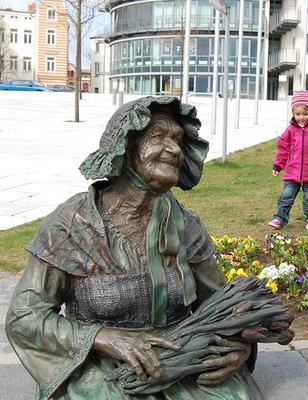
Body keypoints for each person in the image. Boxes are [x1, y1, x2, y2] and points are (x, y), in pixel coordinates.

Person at [5, 97, 263, 400]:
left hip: (180, 357)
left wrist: (239, 347)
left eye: (178, 140)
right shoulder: (71, 225)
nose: (175, 149)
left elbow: (222, 305)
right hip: (101, 362)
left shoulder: (187, 226)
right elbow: (25, 318)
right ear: (125, 146)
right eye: (158, 136)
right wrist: (102, 337)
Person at [269, 90, 308, 231]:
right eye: (297, 114)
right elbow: (283, 148)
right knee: (286, 197)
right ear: (293, 113)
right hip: (292, 172)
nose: (301, 117)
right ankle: (279, 218)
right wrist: (278, 165)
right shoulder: (290, 130)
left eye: (305, 114)